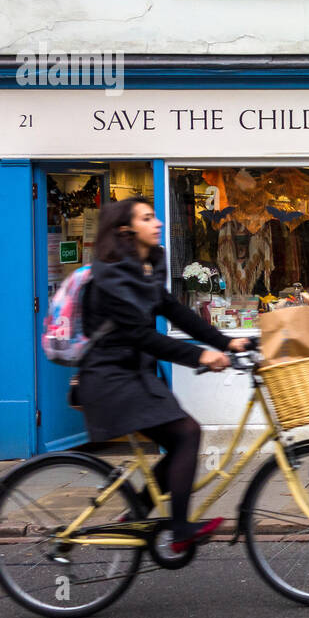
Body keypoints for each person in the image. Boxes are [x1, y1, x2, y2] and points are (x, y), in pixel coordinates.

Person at [76, 197, 252, 552]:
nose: (157, 223)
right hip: (110, 380)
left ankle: (139, 513)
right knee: (187, 434)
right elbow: (142, 337)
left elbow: (177, 313)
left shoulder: (145, 268)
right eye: (147, 218)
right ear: (126, 229)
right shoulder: (111, 276)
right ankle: (180, 531)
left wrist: (227, 342)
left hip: (135, 376)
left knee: (179, 440)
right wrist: (201, 355)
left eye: (155, 217)